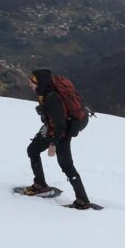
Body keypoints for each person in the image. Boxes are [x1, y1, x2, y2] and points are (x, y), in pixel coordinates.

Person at [22, 69, 91, 209]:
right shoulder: (44, 91)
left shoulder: (52, 97)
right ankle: (40, 185)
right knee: (33, 150)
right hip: (52, 129)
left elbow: (61, 125)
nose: (30, 84)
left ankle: (82, 201)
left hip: (62, 132)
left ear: (39, 83)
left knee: (66, 165)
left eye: (32, 82)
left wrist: (53, 144)